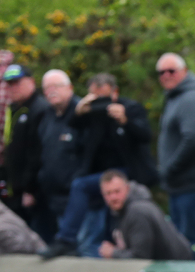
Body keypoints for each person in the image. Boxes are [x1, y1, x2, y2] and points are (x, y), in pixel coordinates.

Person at [39, 73, 155, 260]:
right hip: (100, 176)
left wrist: (125, 121)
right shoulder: (92, 112)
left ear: (115, 92)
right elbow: (73, 127)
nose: (101, 103)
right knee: (93, 214)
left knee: (81, 186)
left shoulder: (130, 108)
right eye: (96, 98)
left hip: (127, 172)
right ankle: (70, 242)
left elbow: (145, 136)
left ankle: (66, 239)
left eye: (104, 98)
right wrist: (80, 111)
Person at [155, 53, 195, 253]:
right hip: (180, 185)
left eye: (171, 71)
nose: (166, 75)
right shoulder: (175, 98)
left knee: (192, 242)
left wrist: (170, 168)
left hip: (193, 184)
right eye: (161, 72)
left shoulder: (191, 99)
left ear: (184, 71)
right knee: (180, 241)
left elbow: (193, 140)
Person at [95, 168, 193, 261]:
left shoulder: (137, 212)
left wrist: (113, 253)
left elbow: (140, 257)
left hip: (176, 267)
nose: (113, 197)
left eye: (117, 191)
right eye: (108, 193)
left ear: (127, 188)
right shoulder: (119, 211)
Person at [28, 70, 79, 241]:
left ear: (70, 87)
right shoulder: (47, 115)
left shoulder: (81, 113)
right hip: (51, 197)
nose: (51, 91)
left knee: (80, 247)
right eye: (47, 88)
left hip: (75, 197)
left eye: (56, 86)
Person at [2, 64, 40, 221]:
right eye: (9, 84)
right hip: (13, 186)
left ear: (31, 81)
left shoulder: (39, 108)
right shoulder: (13, 108)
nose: (13, 88)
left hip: (32, 191)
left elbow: (36, 153)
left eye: (17, 83)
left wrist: (30, 189)